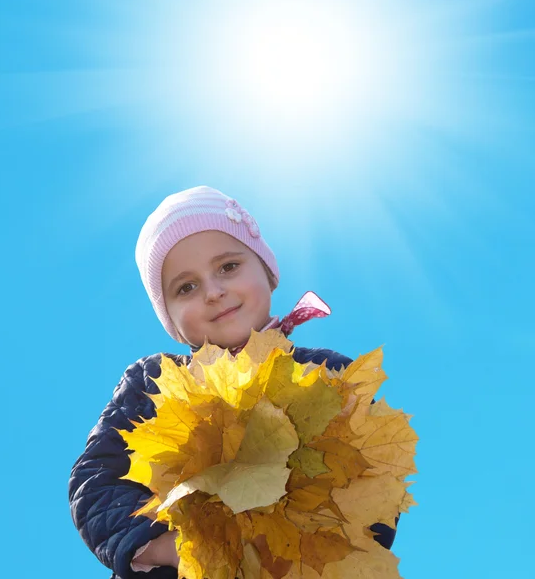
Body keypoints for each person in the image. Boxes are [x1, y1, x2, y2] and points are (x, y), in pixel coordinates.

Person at [68, 186, 397, 578]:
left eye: (228, 267)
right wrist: (165, 547)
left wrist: (299, 541)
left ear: (268, 272)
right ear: (171, 321)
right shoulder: (154, 382)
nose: (214, 292)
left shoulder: (326, 373)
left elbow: (375, 475)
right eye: (186, 287)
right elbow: (95, 481)